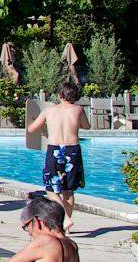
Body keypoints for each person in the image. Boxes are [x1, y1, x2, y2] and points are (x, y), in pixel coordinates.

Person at [27, 79, 91, 229]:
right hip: (72, 151)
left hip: (55, 150)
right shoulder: (78, 110)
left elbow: (31, 129)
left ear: (61, 95)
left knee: (51, 188)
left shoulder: (49, 111)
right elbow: (86, 127)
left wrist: (36, 122)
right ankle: (64, 224)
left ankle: (66, 219)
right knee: (68, 190)